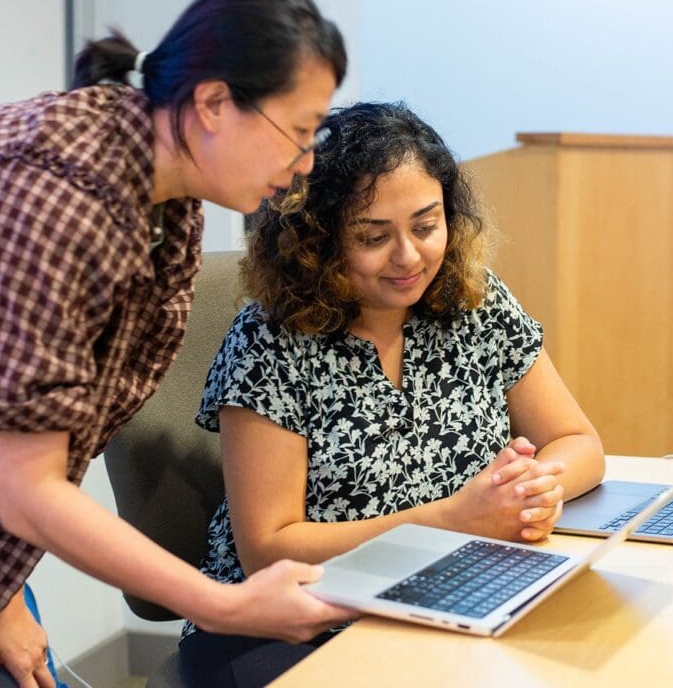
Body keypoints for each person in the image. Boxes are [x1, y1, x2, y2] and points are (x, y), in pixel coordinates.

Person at [0, 0, 357, 686]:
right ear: (213, 104)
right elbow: (28, 489)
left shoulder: (157, 186)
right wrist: (224, 605)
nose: (307, 162)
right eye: (300, 131)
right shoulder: (56, 206)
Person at [178, 101, 607, 686]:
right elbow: (269, 551)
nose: (408, 257)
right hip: (288, 620)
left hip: (440, 597)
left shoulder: (473, 302)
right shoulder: (271, 341)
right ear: (318, 241)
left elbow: (578, 442)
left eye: (426, 226)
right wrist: (452, 521)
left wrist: (534, 489)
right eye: (373, 236)